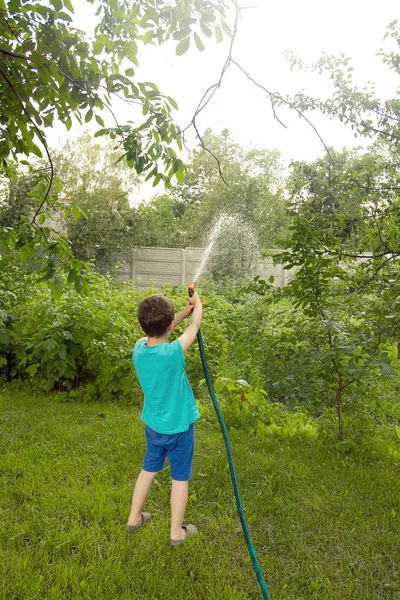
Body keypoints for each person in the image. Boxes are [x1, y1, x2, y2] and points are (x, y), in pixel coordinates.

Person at [127, 291, 203, 546]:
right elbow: (194, 327)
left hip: (154, 426)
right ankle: (176, 534)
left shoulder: (138, 348)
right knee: (179, 479)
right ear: (170, 324)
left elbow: (169, 328)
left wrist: (183, 312)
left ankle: (134, 518)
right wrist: (197, 305)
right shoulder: (173, 352)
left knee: (148, 471)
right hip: (179, 428)